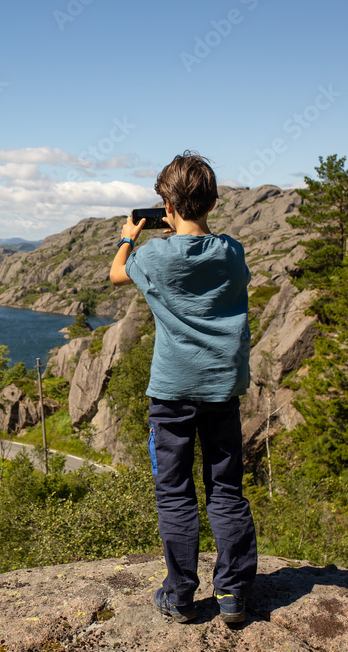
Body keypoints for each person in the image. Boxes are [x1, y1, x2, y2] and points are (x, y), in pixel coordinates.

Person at [109, 151, 257, 624]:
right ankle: (233, 594)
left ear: (166, 207)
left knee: (174, 494)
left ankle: (180, 596)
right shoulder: (232, 251)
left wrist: (129, 237)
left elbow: (116, 275)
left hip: (171, 396)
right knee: (226, 491)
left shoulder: (151, 257)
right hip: (221, 393)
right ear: (211, 202)